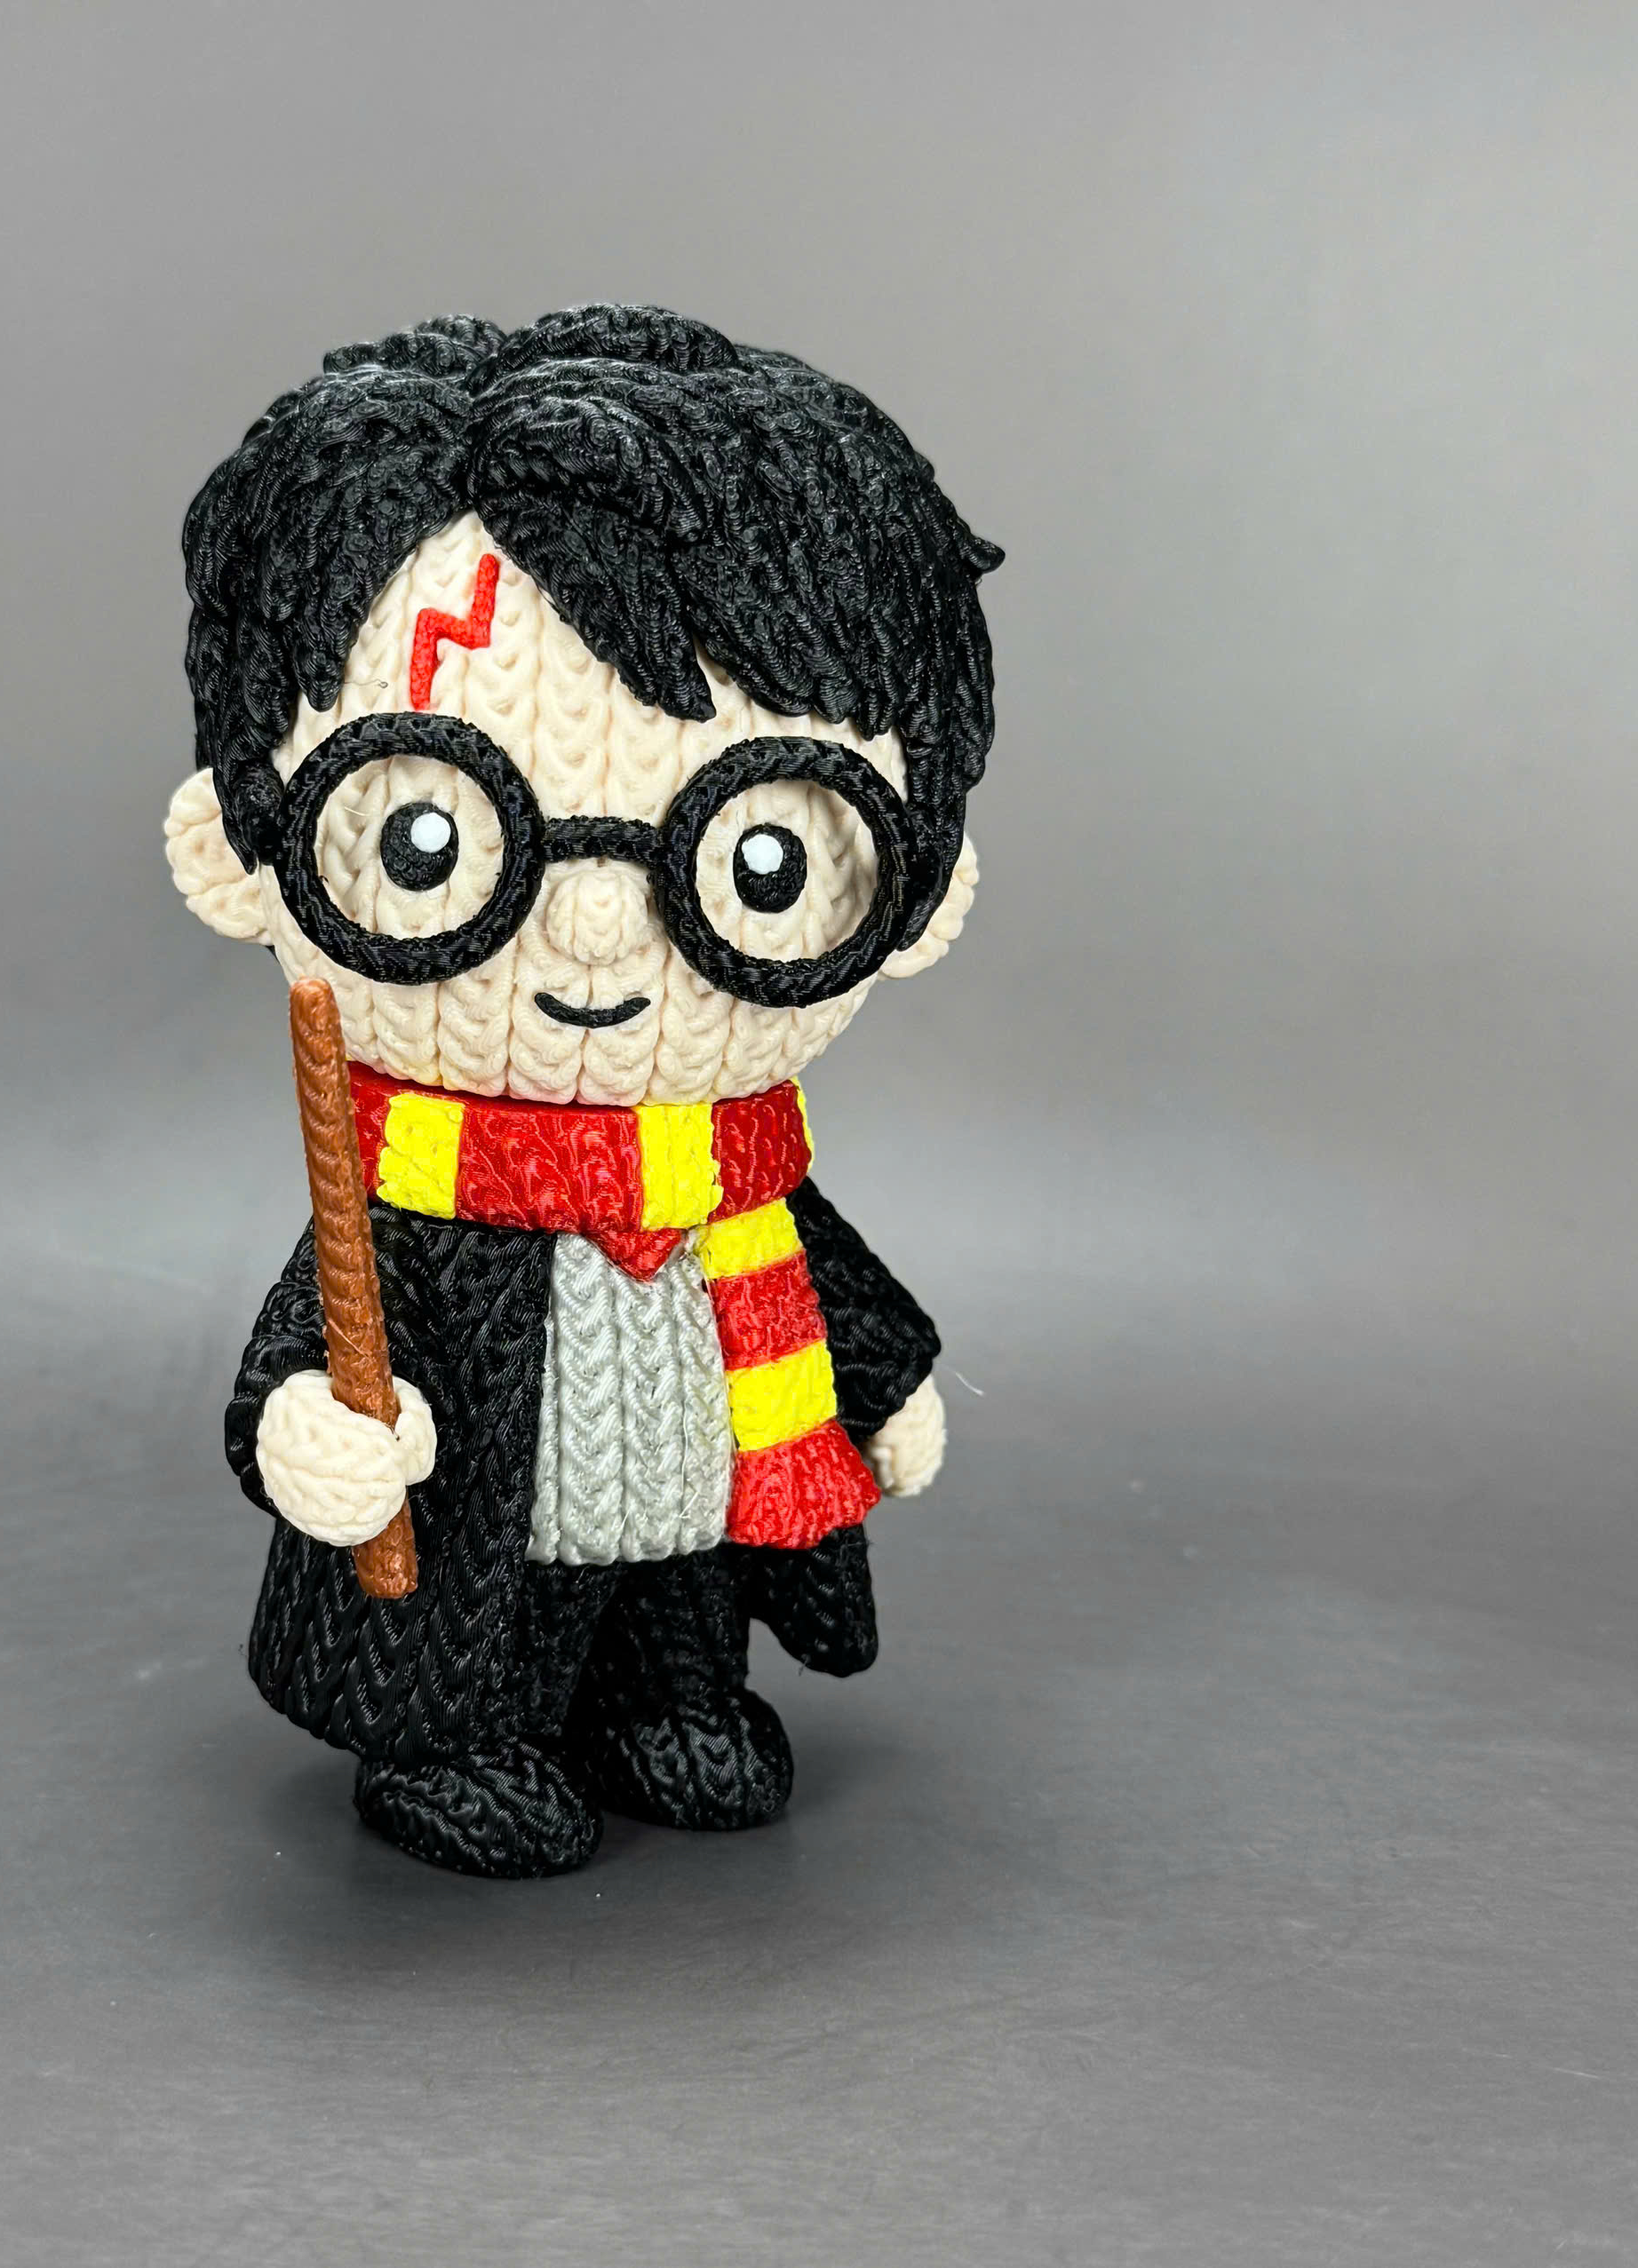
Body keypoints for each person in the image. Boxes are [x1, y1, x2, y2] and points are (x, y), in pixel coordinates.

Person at [165, 305, 1000, 1877]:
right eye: (432, 841)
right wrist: (300, 1426)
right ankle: (455, 1741)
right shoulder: (415, 1189)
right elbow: (325, 1324)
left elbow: (819, 1272)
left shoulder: (734, 1179)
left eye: (756, 856)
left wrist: (877, 1384)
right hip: (484, 1527)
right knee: (496, 1616)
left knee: (678, 1601)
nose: (600, 927)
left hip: (694, 1510)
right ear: (239, 850)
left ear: (922, 891)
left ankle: (669, 1701)